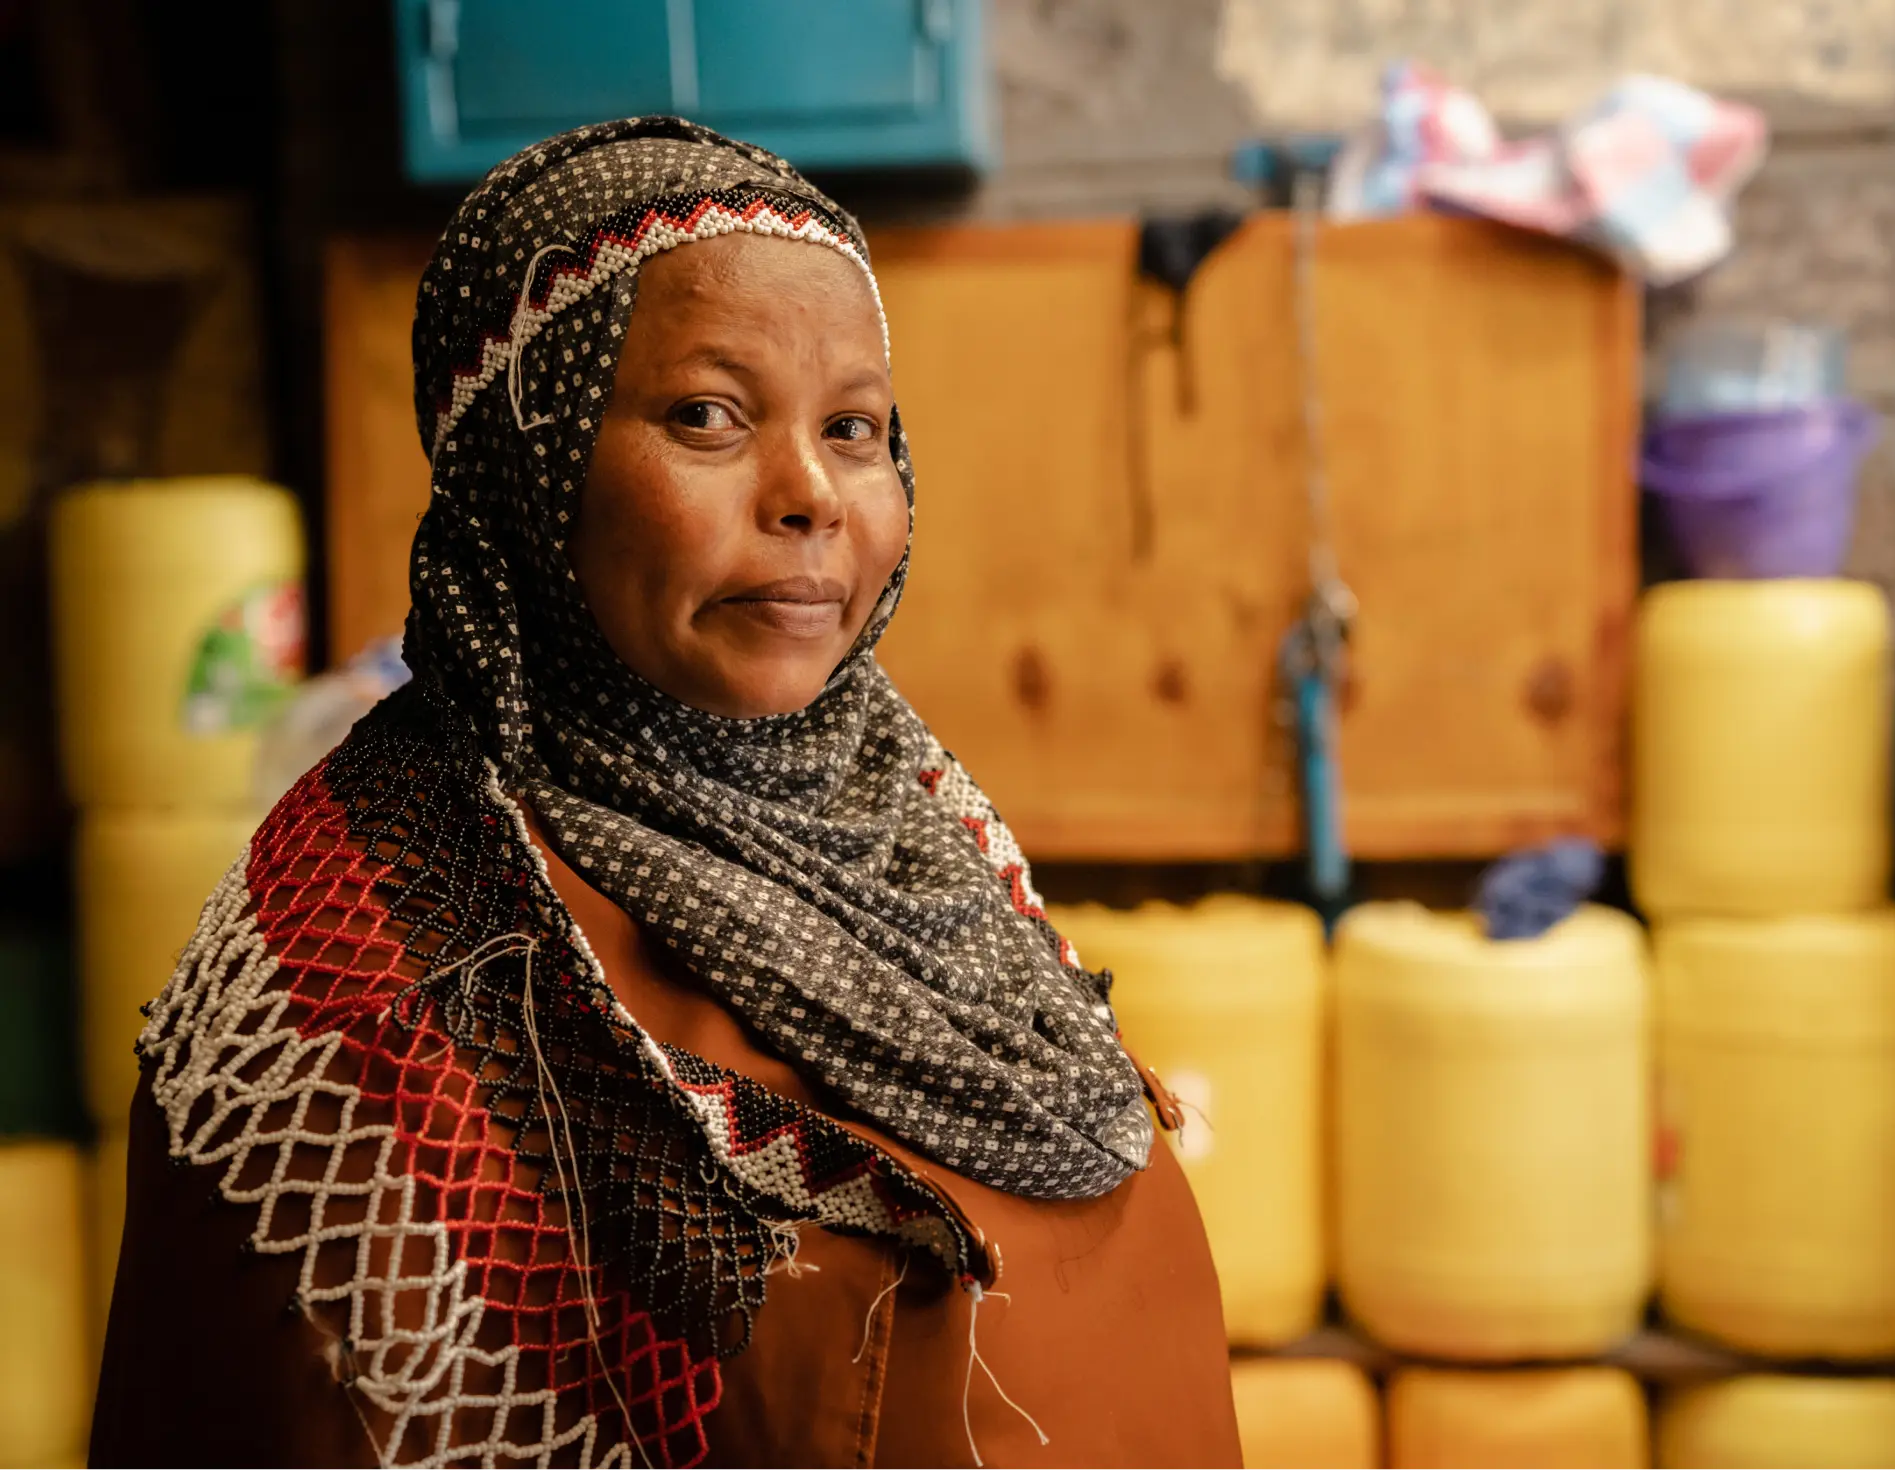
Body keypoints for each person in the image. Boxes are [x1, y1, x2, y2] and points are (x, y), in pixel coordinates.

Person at [89, 117, 1240, 1472]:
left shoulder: (898, 820)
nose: (810, 493)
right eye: (707, 416)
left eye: (855, 428)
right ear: (535, 456)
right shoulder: (369, 975)